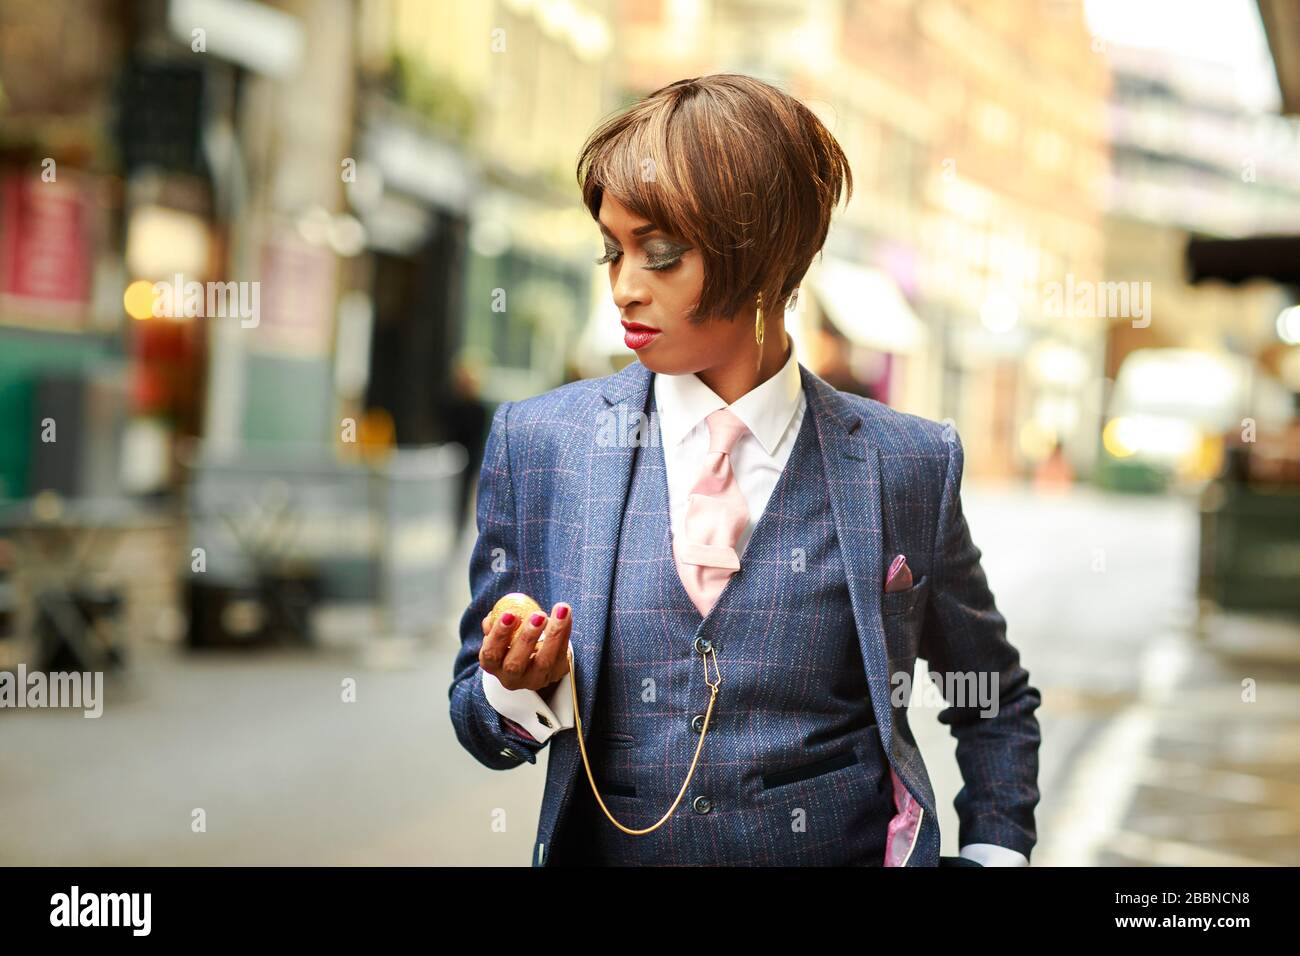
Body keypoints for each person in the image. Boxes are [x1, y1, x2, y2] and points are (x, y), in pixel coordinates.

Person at [448, 74, 1041, 867]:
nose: (624, 286)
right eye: (612, 250)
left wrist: (995, 857)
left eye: (660, 254)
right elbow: (479, 723)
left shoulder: (908, 465)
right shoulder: (543, 443)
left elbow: (993, 700)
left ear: (760, 257)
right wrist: (518, 688)